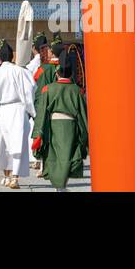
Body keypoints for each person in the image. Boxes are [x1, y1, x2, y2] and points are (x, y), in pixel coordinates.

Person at [33, 49, 88, 191]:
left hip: (52, 127)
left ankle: (60, 187)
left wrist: (39, 132)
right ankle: (61, 187)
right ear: (71, 74)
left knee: (54, 157)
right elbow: (83, 115)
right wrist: (85, 137)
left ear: (57, 73)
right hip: (70, 127)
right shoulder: (77, 91)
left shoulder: (48, 89)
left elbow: (41, 113)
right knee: (67, 158)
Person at [0, 41, 35, 189]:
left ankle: (7, 176)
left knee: (3, 145)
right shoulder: (21, 71)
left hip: (3, 110)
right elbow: (31, 88)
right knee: (17, 144)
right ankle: (14, 177)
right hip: (17, 109)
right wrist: (31, 109)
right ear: (12, 57)